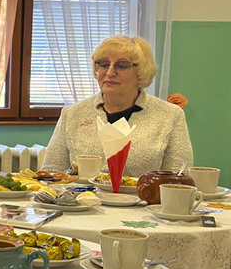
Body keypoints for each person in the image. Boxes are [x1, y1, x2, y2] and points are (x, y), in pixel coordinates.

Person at [42, 35, 193, 176]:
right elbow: (51, 173)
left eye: (121, 66)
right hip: (83, 196)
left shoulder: (170, 115)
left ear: (142, 72)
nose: (109, 72)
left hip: (143, 196)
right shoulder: (72, 114)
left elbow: (179, 179)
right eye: (103, 64)